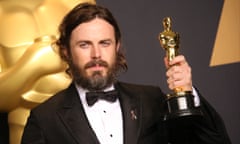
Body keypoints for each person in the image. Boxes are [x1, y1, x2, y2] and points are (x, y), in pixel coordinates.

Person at [21, 2, 231, 144]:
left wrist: (187, 92)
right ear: (66, 50)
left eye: (105, 43)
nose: (96, 54)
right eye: (84, 44)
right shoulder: (44, 119)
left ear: (117, 47)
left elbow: (215, 140)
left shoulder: (151, 99)